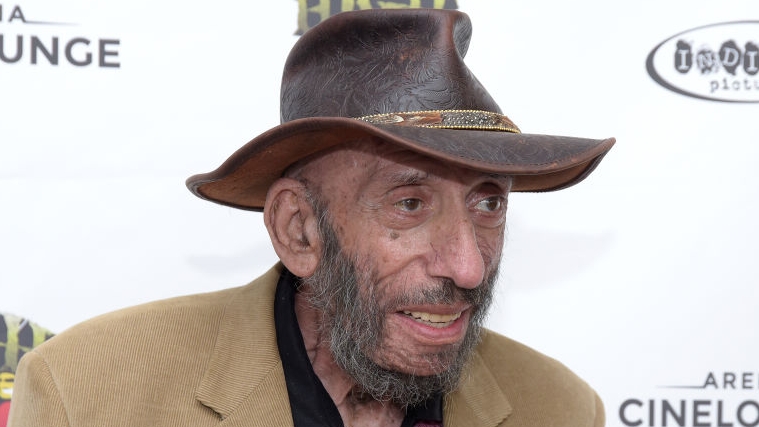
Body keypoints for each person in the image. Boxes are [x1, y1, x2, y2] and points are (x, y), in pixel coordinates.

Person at [9, 8, 615, 427]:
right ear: (298, 230)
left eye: (488, 204)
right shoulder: (88, 395)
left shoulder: (560, 409)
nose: (468, 267)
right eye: (409, 203)